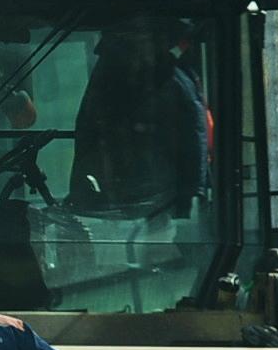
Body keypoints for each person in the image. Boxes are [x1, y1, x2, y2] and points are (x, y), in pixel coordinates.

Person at [70, 17, 208, 216]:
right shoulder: (107, 80)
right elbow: (88, 130)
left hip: (160, 191)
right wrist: (82, 187)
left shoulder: (174, 81)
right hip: (119, 190)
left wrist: (191, 193)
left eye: (140, 37)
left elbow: (194, 135)